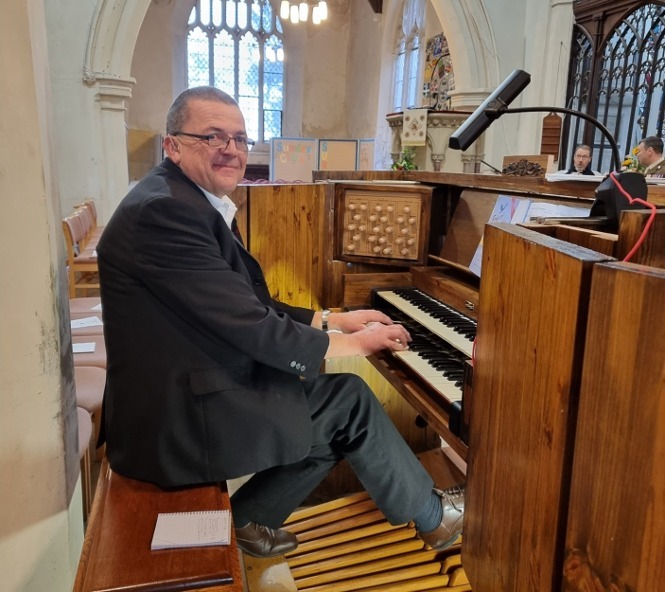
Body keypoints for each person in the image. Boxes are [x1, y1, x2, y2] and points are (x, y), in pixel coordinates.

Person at [96, 86, 465, 559]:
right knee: (346, 402)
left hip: (181, 382)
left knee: (325, 408)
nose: (231, 149)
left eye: (239, 138)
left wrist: (333, 317)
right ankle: (435, 520)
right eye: (212, 136)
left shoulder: (179, 196)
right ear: (173, 144)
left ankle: (250, 518)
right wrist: (357, 344)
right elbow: (250, 324)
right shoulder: (166, 212)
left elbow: (244, 299)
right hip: (177, 414)